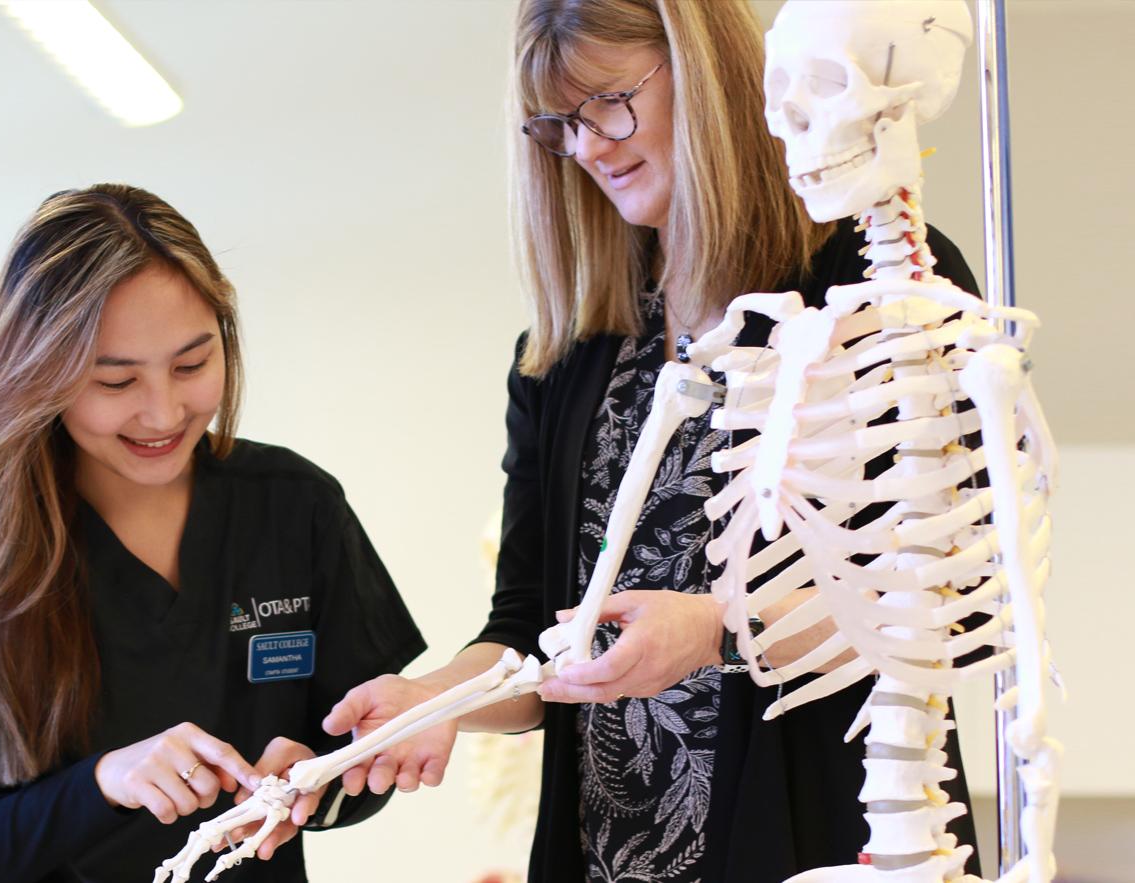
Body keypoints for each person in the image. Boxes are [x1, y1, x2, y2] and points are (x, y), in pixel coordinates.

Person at [322, 2, 980, 881]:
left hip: (822, 841)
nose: (590, 145)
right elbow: (529, 628)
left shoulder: (871, 284)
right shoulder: (566, 354)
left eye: (611, 101)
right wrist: (435, 697)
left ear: (701, 71)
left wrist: (720, 630)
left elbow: (948, 588)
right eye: (563, 123)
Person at [0, 184, 426, 882]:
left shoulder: (294, 507)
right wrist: (102, 783)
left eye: (192, 365)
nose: (163, 413)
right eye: (115, 381)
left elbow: (363, 760)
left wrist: (318, 782)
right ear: (39, 374)